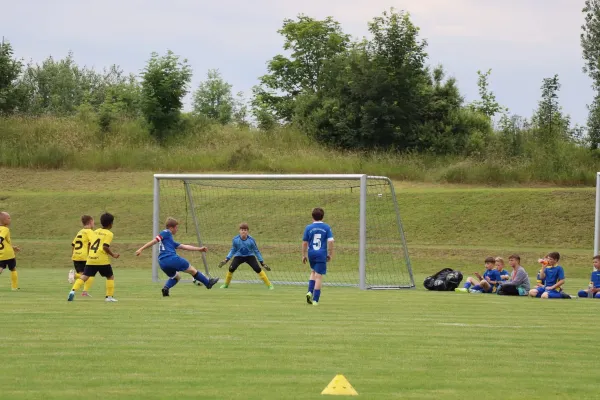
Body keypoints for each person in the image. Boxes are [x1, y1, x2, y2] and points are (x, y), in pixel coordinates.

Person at [135, 217, 219, 296]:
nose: (177, 229)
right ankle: (208, 283)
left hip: (162, 263)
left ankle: (166, 288)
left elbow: (184, 246)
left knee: (176, 277)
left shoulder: (169, 240)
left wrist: (199, 249)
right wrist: (141, 249)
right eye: (176, 227)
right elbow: (154, 241)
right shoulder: (166, 232)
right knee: (192, 270)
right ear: (171, 228)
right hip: (171, 259)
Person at [68, 213, 120, 302]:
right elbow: (105, 247)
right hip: (102, 260)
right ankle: (109, 297)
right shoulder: (109, 234)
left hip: (91, 258)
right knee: (110, 277)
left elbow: (90, 243)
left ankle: (72, 291)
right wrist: (113, 255)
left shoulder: (95, 231)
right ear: (111, 223)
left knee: (84, 276)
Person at [218, 223, 273, 290]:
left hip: (249, 256)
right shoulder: (235, 240)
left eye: (245, 230)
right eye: (242, 230)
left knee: (257, 269)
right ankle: (225, 284)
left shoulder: (251, 240)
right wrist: (227, 259)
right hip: (239, 256)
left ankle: (269, 285)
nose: (243, 231)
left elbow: (256, 251)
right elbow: (233, 250)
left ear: (247, 231)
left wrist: (261, 262)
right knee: (231, 269)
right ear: (239, 231)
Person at [302, 207, 334, 306]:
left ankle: (309, 291)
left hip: (311, 253)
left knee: (313, 271)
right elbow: (331, 241)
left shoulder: (308, 227)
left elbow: (304, 242)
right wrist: (330, 253)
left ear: (312, 216)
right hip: (321, 253)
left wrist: (304, 255)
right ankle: (315, 300)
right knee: (319, 277)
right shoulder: (326, 227)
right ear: (322, 216)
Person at [68, 215, 96, 297]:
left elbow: (73, 244)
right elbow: (93, 243)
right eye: (93, 222)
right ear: (90, 222)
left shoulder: (79, 232)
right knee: (89, 274)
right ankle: (75, 277)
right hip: (84, 256)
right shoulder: (90, 232)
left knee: (83, 275)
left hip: (76, 256)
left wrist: (73, 255)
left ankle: (83, 292)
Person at [0, 212, 21, 291]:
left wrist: (13, 247)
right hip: (9, 254)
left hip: (1, 255)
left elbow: (4, 243)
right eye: (8, 218)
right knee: (13, 269)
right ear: (3, 220)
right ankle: (14, 287)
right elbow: (1, 238)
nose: (10, 220)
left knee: (1, 268)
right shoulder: (5, 229)